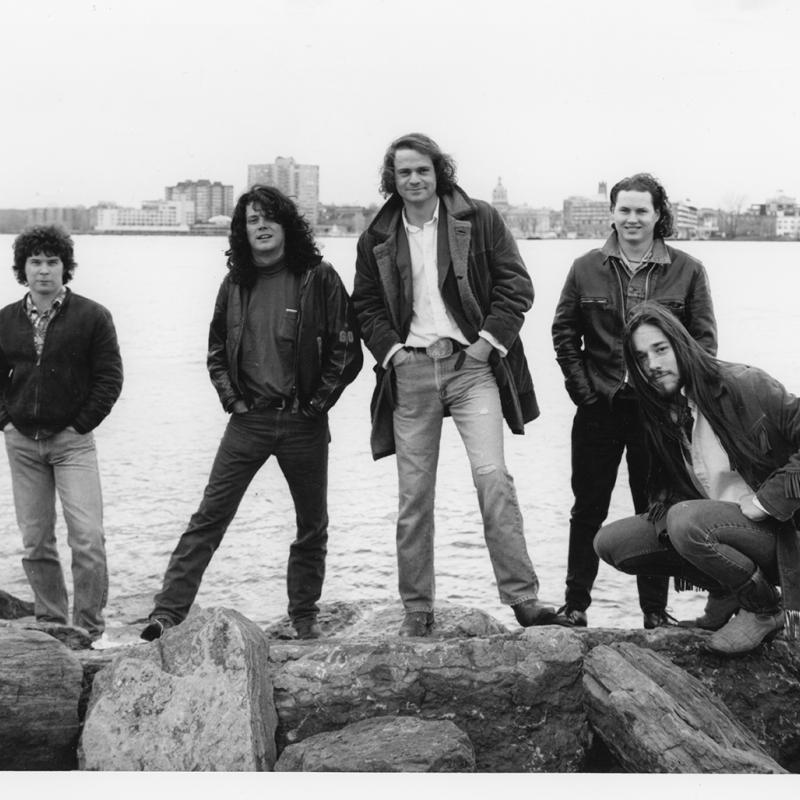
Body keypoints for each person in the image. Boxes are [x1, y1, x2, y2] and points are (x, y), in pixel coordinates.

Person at [352, 132, 555, 637]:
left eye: (422, 169)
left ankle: (524, 599)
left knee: (493, 478)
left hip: (472, 369)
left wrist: (486, 344)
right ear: (391, 180)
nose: (414, 179)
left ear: (438, 171)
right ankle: (417, 609)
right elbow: (365, 307)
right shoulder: (376, 236)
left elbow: (516, 286)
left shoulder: (478, 218)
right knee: (413, 495)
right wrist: (393, 355)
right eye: (404, 172)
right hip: (412, 372)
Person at [141, 186, 362, 642]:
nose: (260, 226)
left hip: (303, 422)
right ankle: (166, 616)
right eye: (251, 220)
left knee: (311, 525)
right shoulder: (235, 283)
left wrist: (316, 404)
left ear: (286, 226)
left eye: (269, 218)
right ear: (243, 232)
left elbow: (346, 349)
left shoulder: (318, 277)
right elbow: (217, 350)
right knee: (209, 518)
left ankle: (303, 618)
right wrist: (233, 401)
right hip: (248, 421)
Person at [551, 173, 717, 629]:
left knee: (656, 509)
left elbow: (703, 344)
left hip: (659, 413)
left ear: (658, 215)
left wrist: (678, 400)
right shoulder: (586, 267)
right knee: (587, 508)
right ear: (612, 214)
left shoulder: (687, 269)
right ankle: (575, 604)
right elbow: (564, 333)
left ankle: (654, 613)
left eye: (641, 210)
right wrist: (583, 392)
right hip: (599, 408)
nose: (632, 219)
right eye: (624, 210)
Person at [594, 301, 800, 655]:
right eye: (642, 358)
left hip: (783, 536)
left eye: (660, 349)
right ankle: (729, 592)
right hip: (723, 530)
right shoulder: (661, 412)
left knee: (686, 520)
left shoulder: (743, 385)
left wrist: (766, 500)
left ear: (681, 344)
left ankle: (765, 610)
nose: (653, 365)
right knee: (613, 543)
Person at [0, 225, 123, 641]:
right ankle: (53, 626)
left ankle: (89, 629)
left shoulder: (92, 316)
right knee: (35, 541)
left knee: (87, 538)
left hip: (73, 444)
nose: (44, 271)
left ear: (64, 268)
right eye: (35, 262)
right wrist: (7, 420)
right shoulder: (5, 320)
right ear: (23, 268)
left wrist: (80, 423)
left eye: (52, 262)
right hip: (21, 443)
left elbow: (109, 379)